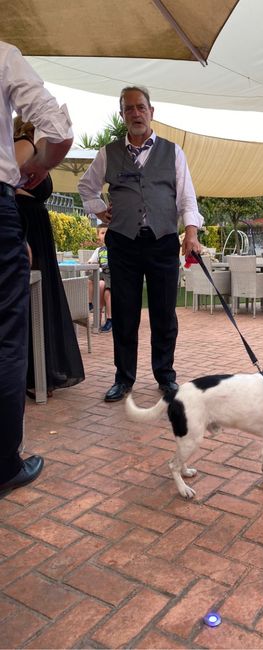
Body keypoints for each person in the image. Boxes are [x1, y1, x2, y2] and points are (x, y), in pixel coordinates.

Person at [78, 86, 203, 402]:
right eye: (129, 108)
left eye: (140, 107)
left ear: (151, 111)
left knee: (164, 313)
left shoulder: (173, 151)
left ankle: (165, 376)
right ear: (122, 114)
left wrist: (191, 233)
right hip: (123, 243)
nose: (136, 113)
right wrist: (100, 211)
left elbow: (187, 196)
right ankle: (124, 378)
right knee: (124, 312)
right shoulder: (108, 153)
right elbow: (86, 187)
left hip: (162, 241)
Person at [0, 40, 73, 496]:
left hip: (18, 228)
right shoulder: (3, 55)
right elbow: (59, 131)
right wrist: (39, 167)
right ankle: (4, 464)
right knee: (7, 336)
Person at [14, 118, 85, 399]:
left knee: (42, 298)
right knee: (30, 299)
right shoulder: (23, 145)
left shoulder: (38, 151)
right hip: (25, 226)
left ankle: (41, 370)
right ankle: (29, 373)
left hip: (38, 229)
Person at [88, 226, 112, 332]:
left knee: (107, 293)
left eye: (107, 233)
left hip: (111, 274)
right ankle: (90, 304)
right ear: (98, 236)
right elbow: (91, 261)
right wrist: (91, 262)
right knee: (90, 280)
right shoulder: (98, 250)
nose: (105, 235)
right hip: (101, 273)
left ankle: (110, 319)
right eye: (102, 233)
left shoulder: (115, 248)